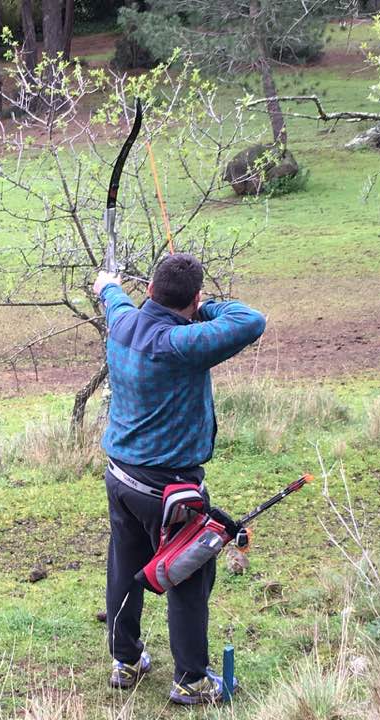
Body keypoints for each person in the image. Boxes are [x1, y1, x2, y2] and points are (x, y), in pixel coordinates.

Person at [92, 253, 266, 704]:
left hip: (121, 479)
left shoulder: (123, 320)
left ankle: (125, 660)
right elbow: (251, 320)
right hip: (171, 492)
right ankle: (192, 680)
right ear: (193, 299)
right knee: (187, 575)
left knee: (124, 568)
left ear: (148, 290)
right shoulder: (182, 343)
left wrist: (106, 283)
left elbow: (110, 296)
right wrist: (202, 310)